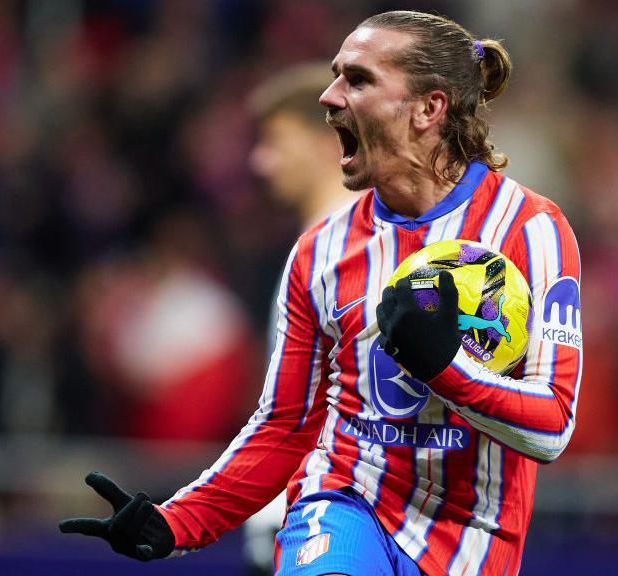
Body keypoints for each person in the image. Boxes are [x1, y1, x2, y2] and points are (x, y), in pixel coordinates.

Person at [60, 10, 583, 576]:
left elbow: (551, 426)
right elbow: (286, 424)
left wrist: (444, 368)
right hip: (345, 505)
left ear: (430, 109)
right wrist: (178, 522)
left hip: (474, 537)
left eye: (357, 80)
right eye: (336, 76)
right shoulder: (321, 250)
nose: (330, 96)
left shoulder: (532, 231)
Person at [243, 61, 357, 574]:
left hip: (321, 522)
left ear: (323, 143)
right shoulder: (314, 248)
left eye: (274, 141)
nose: (260, 162)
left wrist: (277, 510)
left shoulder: (345, 255)